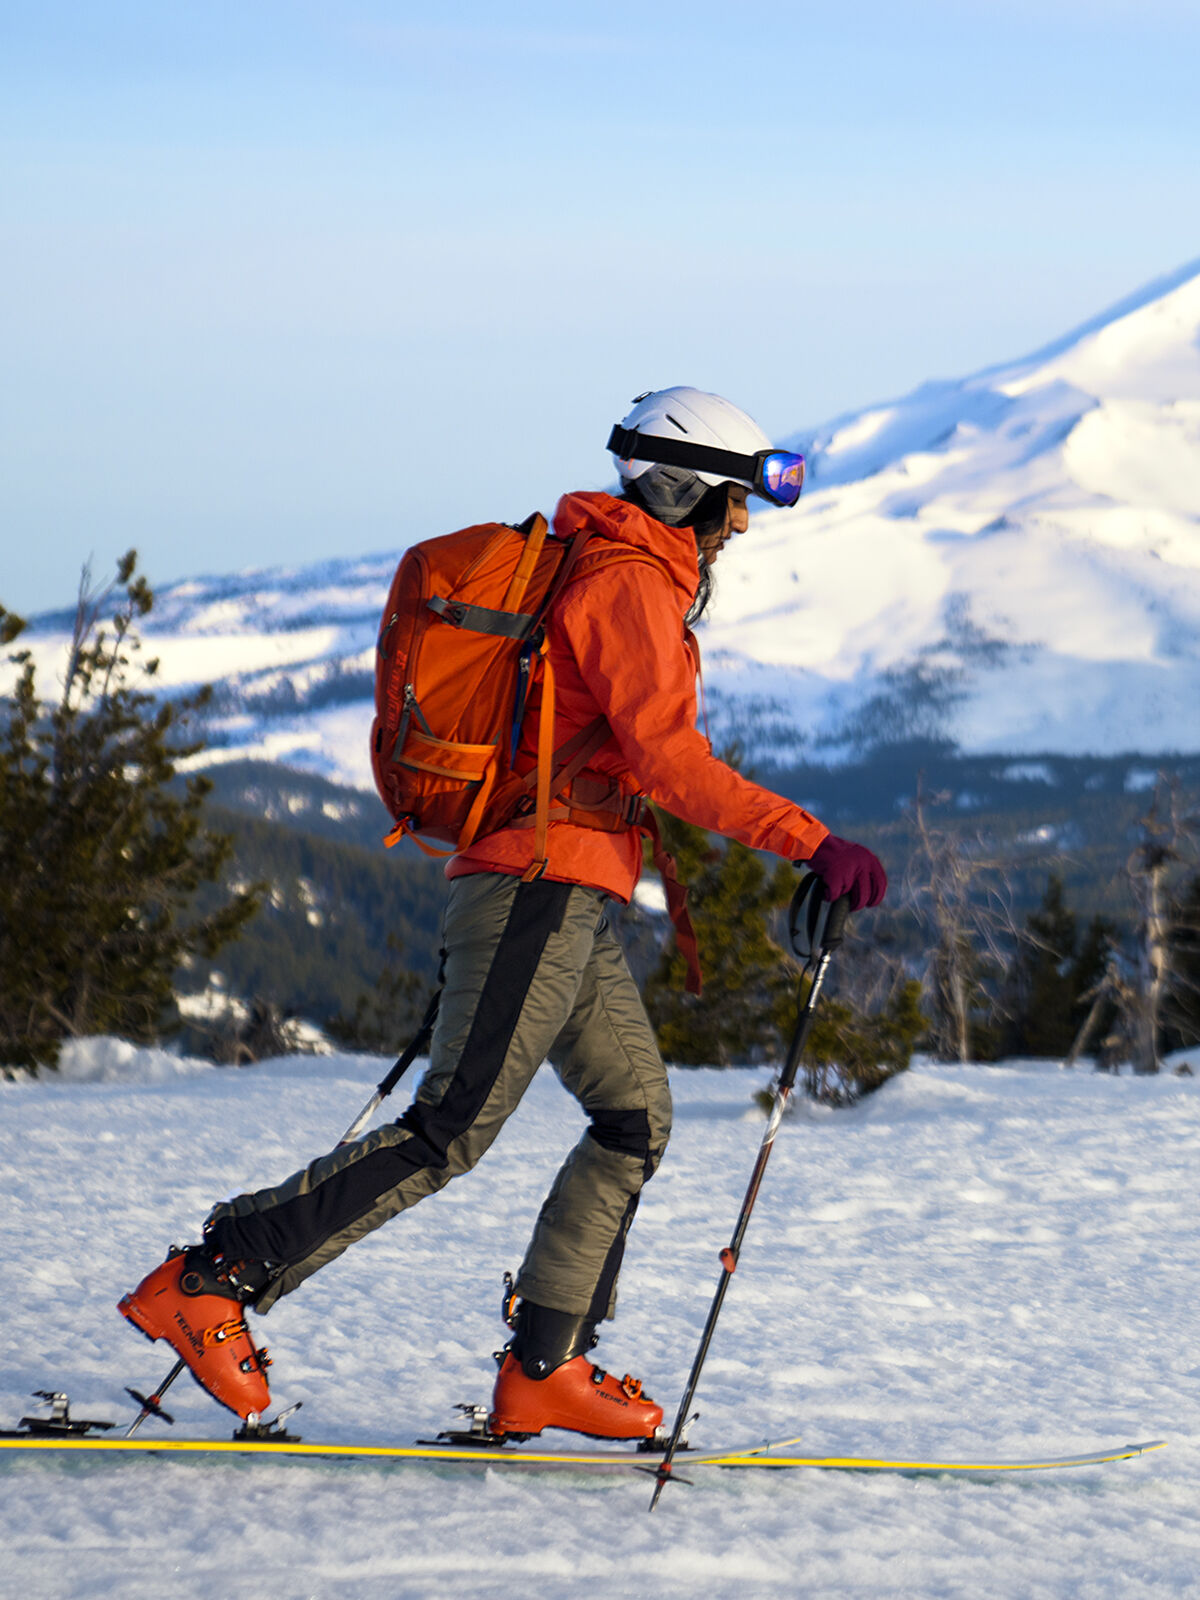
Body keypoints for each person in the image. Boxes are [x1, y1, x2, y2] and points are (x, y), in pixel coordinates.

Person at [119, 386, 887, 1440]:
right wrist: (813, 840)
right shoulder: (627, 583)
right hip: (536, 883)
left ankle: (546, 1366)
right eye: (736, 504)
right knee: (449, 1129)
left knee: (634, 1117)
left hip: (564, 890)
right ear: (687, 494)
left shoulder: (620, 570)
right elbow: (668, 761)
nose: (743, 527)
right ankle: (212, 1280)